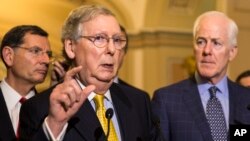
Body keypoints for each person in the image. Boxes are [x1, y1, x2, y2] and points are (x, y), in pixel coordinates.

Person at [20, 5, 157, 141]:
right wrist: (55, 124)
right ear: (71, 47)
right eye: (99, 38)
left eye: (117, 40)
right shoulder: (40, 107)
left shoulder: (139, 101)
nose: (112, 49)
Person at [151, 11, 250, 141]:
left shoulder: (246, 99)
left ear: (232, 52)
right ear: (194, 47)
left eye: (216, 43)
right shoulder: (167, 100)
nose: (207, 51)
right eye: (201, 42)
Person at [0, 25, 51, 141]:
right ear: (9, 56)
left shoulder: (52, 108)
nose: (46, 60)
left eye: (49, 54)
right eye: (36, 51)